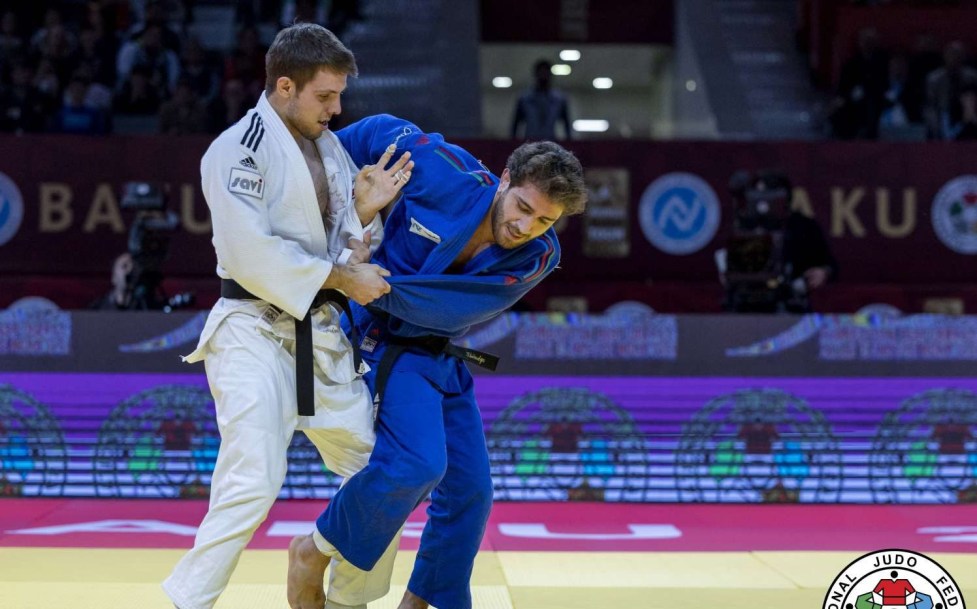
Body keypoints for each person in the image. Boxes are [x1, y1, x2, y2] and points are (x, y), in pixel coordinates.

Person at [287, 114, 588, 609]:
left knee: (470, 495)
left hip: (439, 353)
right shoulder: (441, 169)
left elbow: (452, 305)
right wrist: (339, 210)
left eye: (544, 221)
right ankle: (312, 552)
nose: (525, 227)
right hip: (383, 343)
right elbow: (367, 134)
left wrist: (368, 278)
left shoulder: (539, 256)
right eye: (523, 208)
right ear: (504, 180)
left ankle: (422, 602)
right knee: (417, 462)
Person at [161, 23, 414, 609]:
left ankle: (352, 598)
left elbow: (348, 247)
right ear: (284, 86)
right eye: (325, 96)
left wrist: (365, 215)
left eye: (340, 95)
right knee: (251, 480)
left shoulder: (331, 150)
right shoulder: (238, 149)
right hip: (252, 331)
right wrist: (343, 276)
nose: (337, 108)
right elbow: (253, 255)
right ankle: (190, 601)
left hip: (319, 336)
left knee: (383, 472)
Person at [511, 58, 573, 140]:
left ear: (550, 75)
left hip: (551, 141)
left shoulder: (559, 99)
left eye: (546, 72)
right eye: (541, 72)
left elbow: (566, 124)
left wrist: (569, 142)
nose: (543, 75)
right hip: (529, 142)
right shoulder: (524, 98)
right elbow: (516, 123)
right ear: (535, 74)